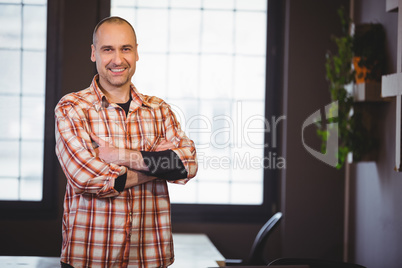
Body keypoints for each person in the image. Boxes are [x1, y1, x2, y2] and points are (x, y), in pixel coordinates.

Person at [55, 16, 198, 268]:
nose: (118, 59)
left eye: (126, 49)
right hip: (89, 260)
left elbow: (188, 163)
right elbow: (86, 177)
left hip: (149, 258)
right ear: (93, 53)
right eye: (108, 49)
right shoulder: (72, 108)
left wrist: (119, 155)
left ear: (136, 53)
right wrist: (158, 169)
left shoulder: (159, 110)